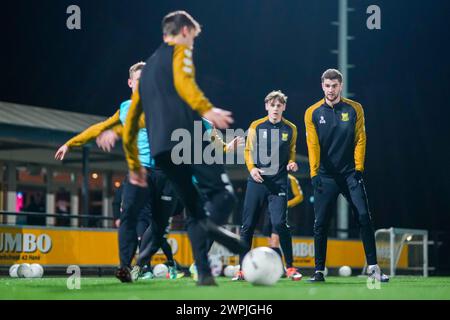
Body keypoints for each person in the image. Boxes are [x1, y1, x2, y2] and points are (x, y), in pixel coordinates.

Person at [122, 10, 248, 286]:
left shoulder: (151, 66)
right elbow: (185, 83)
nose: (193, 42)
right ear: (184, 32)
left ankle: (203, 273)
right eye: (193, 36)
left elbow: (131, 120)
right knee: (225, 195)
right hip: (187, 138)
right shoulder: (180, 51)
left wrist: (134, 164)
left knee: (193, 206)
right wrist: (208, 109)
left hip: (161, 151)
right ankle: (214, 230)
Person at [55, 62, 182, 281]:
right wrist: (71, 143)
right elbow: (99, 128)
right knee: (128, 217)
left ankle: (141, 264)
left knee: (159, 226)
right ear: (131, 83)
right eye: (140, 79)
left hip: (165, 173)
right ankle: (124, 267)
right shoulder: (124, 108)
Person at [304, 68, 389, 282]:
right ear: (322, 86)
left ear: (341, 86)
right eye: (327, 86)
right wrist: (314, 173)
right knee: (320, 223)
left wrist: (358, 168)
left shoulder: (355, 109)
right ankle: (319, 271)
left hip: (350, 174)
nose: (331, 90)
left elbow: (361, 138)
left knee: (363, 217)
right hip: (325, 176)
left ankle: (373, 269)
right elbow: (312, 144)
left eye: (334, 86)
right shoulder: (312, 112)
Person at [233, 90, 301, 280]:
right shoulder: (256, 126)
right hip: (257, 182)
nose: (275, 108)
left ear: (284, 107)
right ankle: (241, 269)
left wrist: (292, 162)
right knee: (247, 226)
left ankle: (291, 268)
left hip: (278, 183)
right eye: (272, 105)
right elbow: (248, 151)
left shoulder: (291, 128)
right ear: (267, 107)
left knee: (280, 224)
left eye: (279, 105)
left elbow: (292, 151)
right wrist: (252, 168)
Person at [261, 173, 303, 269]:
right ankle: (278, 267)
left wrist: (285, 204)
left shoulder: (291, 179)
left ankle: (281, 268)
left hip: (282, 212)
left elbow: (299, 196)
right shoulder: (268, 177)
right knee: (271, 242)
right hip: (268, 212)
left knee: (275, 240)